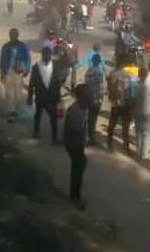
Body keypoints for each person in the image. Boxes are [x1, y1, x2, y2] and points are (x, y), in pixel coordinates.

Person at [63, 83, 90, 211]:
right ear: (81, 97)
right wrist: (82, 141)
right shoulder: (74, 111)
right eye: (87, 95)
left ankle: (75, 195)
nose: (89, 98)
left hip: (77, 143)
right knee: (78, 167)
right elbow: (74, 130)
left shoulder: (83, 107)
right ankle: (75, 197)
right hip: (73, 143)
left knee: (80, 165)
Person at [27, 46, 63, 143]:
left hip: (51, 96)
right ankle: (36, 132)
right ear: (42, 55)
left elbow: (58, 82)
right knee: (38, 115)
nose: (47, 57)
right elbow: (32, 82)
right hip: (40, 96)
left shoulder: (55, 65)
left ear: (51, 55)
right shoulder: (36, 66)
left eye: (49, 55)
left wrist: (58, 96)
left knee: (54, 117)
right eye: (45, 55)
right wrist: (30, 97)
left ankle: (54, 138)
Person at [0, 28, 31, 120]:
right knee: (9, 94)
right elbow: (2, 61)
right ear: (9, 35)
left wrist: (27, 69)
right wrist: (2, 73)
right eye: (11, 35)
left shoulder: (22, 46)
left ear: (17, 36)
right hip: (8, 72)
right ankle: (11, 112)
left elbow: (27, 58)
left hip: (18, 73)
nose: (12, 36)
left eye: (14, 35)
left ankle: (17, 110)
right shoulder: (5, 46)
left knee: (18, 93)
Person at [106, 61, 131, 153]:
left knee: (112, 124)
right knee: (125, 127)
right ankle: (126, 147)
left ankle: (109, 144)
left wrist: (111, 97)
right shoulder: (127, 74)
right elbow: (129, 89)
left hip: (115, 103)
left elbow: (109, 87)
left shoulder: (112, 73)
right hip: (125, 103)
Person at [84, 53, 105, 146]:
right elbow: (101, 88)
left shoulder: (88, 71)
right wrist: (100, 99)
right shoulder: (100, 73)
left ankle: (87, 137)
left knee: (88, 118)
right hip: (96, 99)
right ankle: (92, 138)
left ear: (92, 61)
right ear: (99, 62)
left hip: (88, 98)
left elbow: (86, 84)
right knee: (94, 119)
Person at [135, 67, 150, 162]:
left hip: (137, 111)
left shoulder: (135, 86)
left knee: (138, 133)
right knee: (147, 134)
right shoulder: (148, 86)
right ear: (146, 75)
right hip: (147, 112)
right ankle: (145, 154)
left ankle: (138, 152)